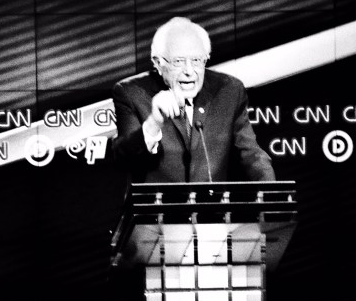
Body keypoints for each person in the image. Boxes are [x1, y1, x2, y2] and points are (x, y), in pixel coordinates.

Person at [111, 16, 276, 184]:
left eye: (196, 60)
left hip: (212, 208)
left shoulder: (229, 90)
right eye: (178, 62)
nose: (189, 71)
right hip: (156, 208)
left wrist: (272, 194)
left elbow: (251, 154)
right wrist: (154, 123)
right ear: (158, 63)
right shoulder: (131, 93)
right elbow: (124, 160)